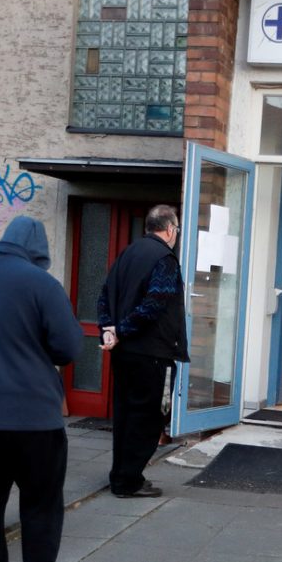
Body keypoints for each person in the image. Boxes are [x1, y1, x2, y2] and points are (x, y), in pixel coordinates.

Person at [0, 216, 83, 562]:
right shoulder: (43, 285)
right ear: (38, 251)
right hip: (35, 421)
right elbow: (68, 348)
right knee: (41, 509)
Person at [97, 205, 188, 498]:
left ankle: (121, 475)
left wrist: (109, 330)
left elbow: (104, 295)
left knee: (125, 414)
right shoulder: (165, 259)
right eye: (177, 230)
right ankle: (129, 481)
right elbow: (155, 303)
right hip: (154, 354)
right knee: (151, 416)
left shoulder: (127, 254)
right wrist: (121, 330)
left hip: (125, 353)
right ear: (170, 229)